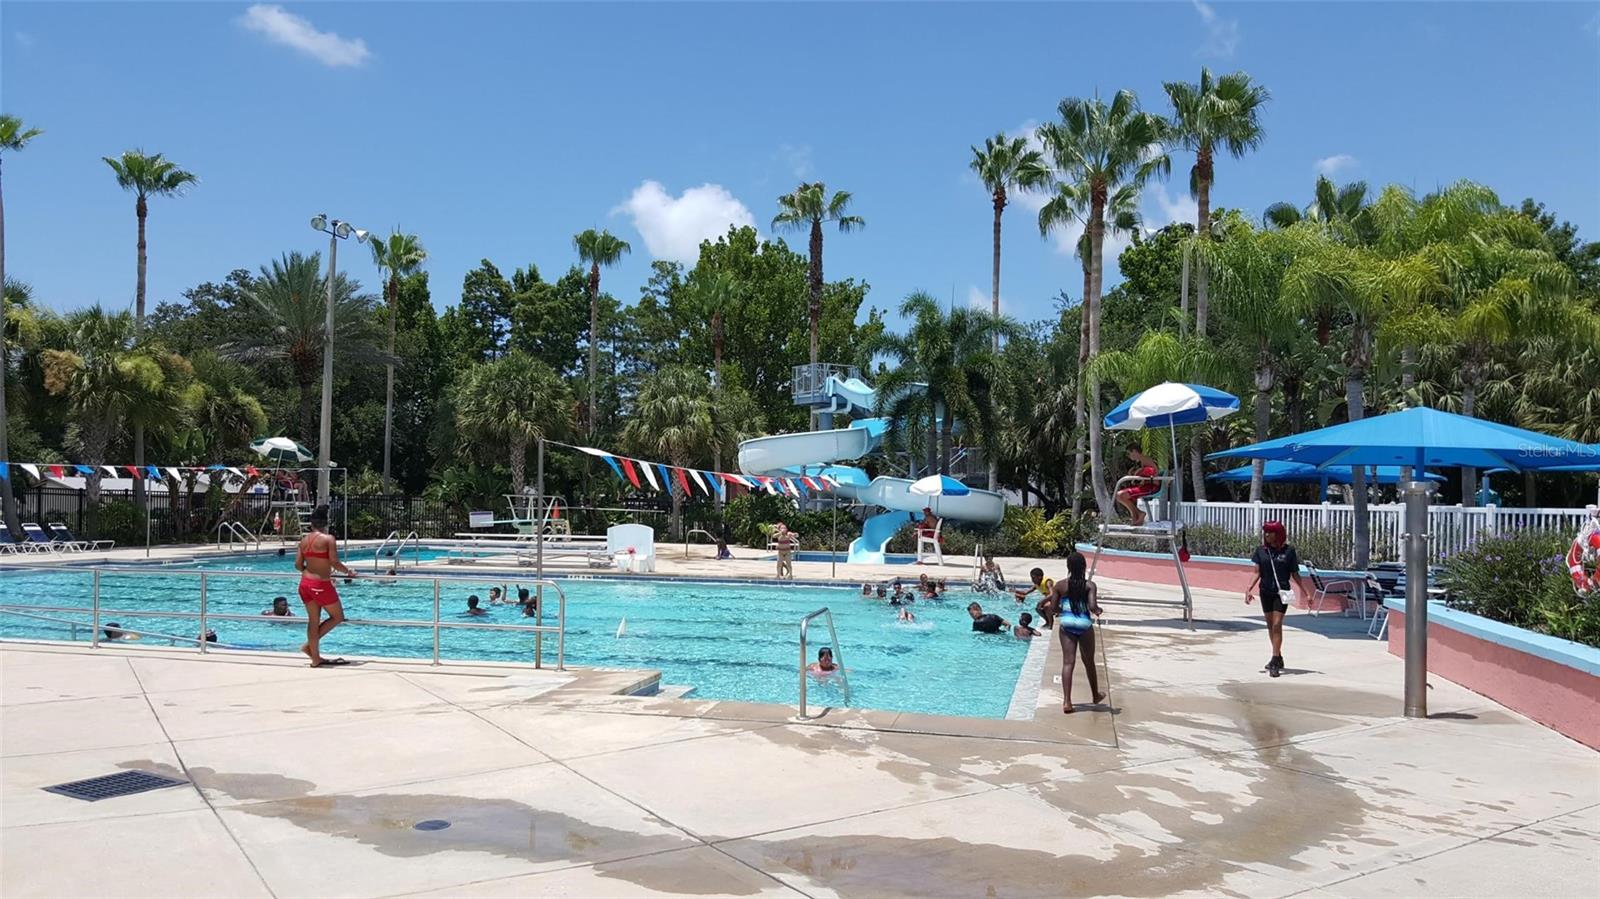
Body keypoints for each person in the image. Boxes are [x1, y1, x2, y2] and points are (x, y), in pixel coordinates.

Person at [1244, 521, 1309, 677]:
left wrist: (1306, 592)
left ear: (1278, 534)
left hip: (1282, 592)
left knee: (1277, 624)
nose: (1267, 535)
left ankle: (1274, 660)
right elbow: (1256, 572)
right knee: (1269, 625)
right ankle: (1278, 655)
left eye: (1270, 532)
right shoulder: (1261, 551)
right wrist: (1248, 589)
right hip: (1265, 591)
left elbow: (1295, 574)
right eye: (1265, 532)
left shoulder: (1289, 551)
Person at [295, 505, 352, 667]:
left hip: (305, 583)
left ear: (311, 524)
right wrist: (348, 572)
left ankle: (315, 657)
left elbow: (298, 565)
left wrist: (309, 571)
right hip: (320, 584)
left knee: (313, 620)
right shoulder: (328, 539)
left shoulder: (304, 541)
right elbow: (334, 561)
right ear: (325, 524)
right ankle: (308, 647)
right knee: (338, 616)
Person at [1049, 552, 1106, 712]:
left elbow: (1053, 608)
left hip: (1067, 624)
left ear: (1068, 567)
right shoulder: (1089, 585)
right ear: (1083, 567)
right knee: (1089, 662)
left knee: (1068, 663)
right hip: (1084, 624)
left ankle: (1067, 702)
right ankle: (1095, 695)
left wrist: (1064, 611)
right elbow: (1093, 607)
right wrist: (1099, 610)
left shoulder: (1060, 585)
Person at [1114, 447, 1161, 526]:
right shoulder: (1143, 461)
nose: (1129, 456)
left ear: (1135, 451)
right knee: (1119, 495)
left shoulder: (1146, 460)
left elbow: (1151, 472)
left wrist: (1138, 472)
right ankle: (1137, 514)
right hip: (1146, 486)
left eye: (1129, 453)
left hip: (1151, 487)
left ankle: (1138, 514)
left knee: (1120, 495)